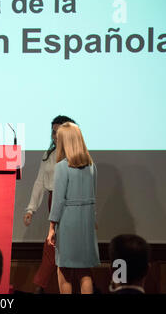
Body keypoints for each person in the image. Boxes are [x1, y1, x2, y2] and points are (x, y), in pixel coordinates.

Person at [23, 115, 76, 294]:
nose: (55, 136)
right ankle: (41, 287)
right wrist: (31, 208)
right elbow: (39, 183)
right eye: (53, 132)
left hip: (71, 203)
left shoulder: (76, 156)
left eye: (59, 132)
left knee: (65, 248)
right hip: (54, 200)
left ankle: (40, 287)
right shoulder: (49, 155)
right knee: (53, 246)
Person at [46, 122, 100, 294]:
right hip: (87, 221)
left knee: (64, 270)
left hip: (69, 222)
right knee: (84, 272)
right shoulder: (91, 165)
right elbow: (94, 195)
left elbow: (58, 200)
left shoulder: (62, 166)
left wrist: (51, 227)